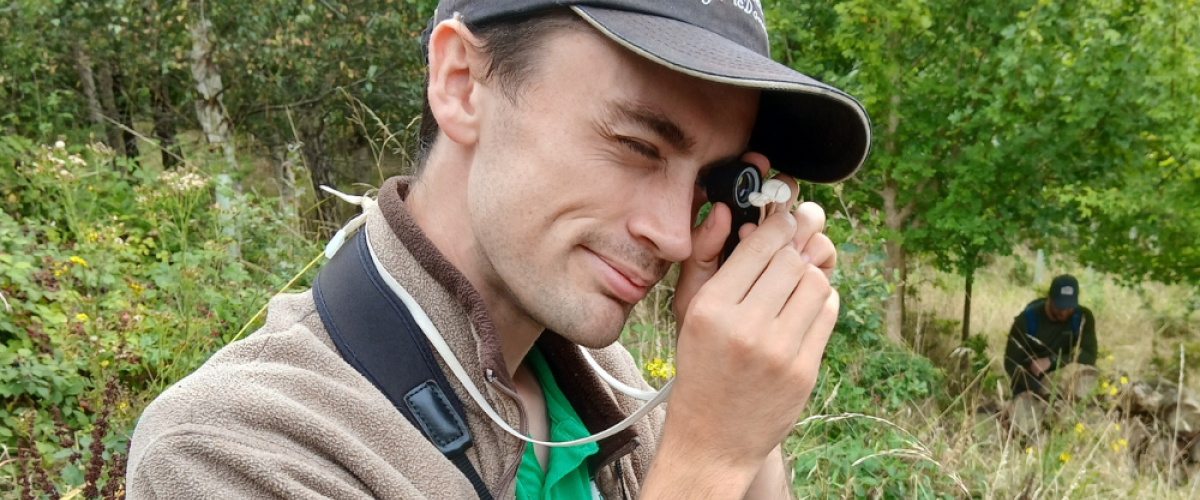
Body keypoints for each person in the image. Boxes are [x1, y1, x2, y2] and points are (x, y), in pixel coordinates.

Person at [125, 1, 872, 499]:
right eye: (639, 145)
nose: (676, 234)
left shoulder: (614, 400)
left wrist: (744, 417)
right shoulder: (231, 447)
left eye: (709, 182)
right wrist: (708, 460)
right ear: (460, 84)